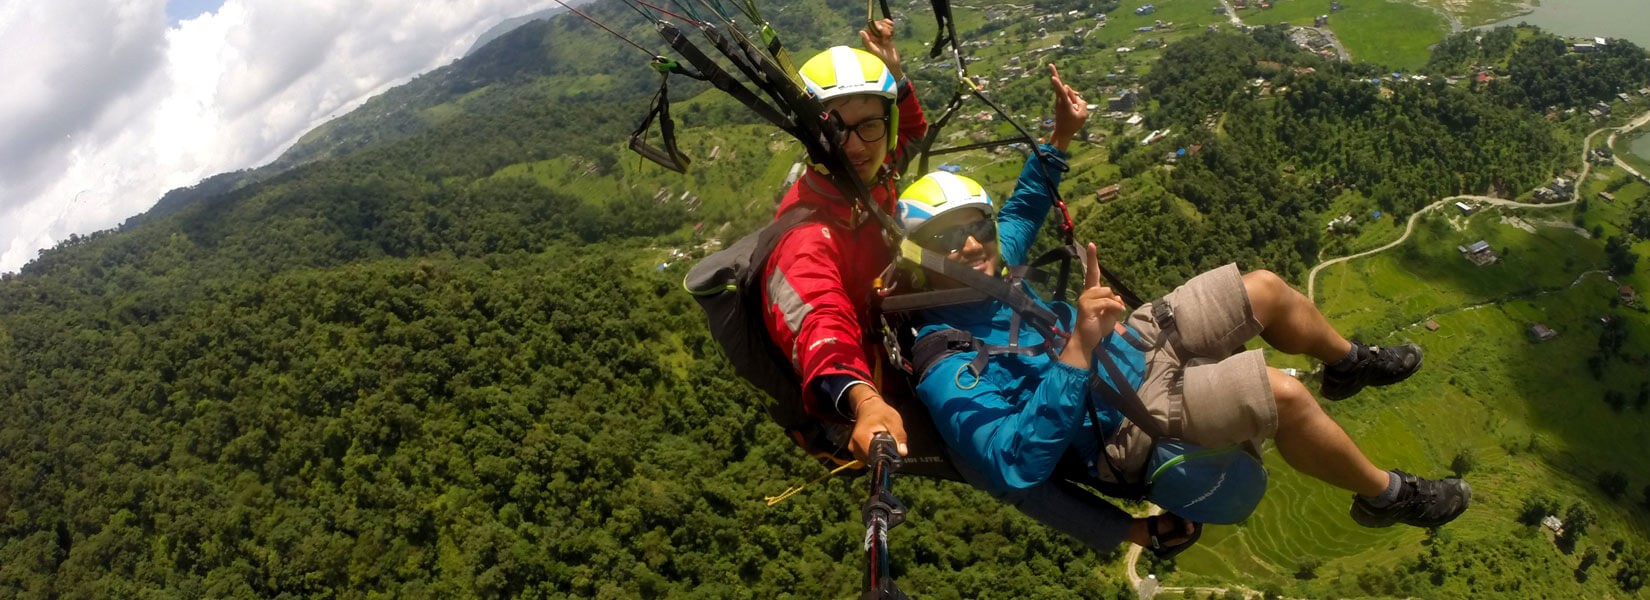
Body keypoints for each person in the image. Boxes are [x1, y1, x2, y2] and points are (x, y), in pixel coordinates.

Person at [896, 65, 1469, 554]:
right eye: (948, 238)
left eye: (975, 227)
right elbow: (1013, 470)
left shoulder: (992, 264)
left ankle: (1348, 363)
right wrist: (1127, 528)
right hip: (1119, 420)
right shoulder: (943, 355)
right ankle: (1387, 496)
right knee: (1286, 397)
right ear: (921, 257)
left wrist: (1062, 135)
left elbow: (1023, 207)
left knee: (1264, 288)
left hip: (1124, 345)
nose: (971, 244)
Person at [761, 18, 927, 461]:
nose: (853, 145)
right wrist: (867, 401)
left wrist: (896, 74)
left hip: (891, 315)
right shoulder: (804, 237)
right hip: (866, 381)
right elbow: (820, 321)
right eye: (834, 130)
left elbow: (910, 134)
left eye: (868, 125)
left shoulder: (872, 174)